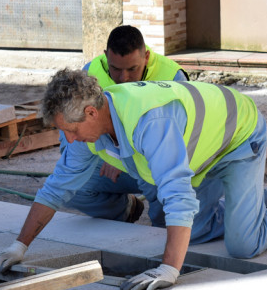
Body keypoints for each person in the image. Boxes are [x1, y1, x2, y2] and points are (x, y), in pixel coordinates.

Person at [0, 69, 267, 290]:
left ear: (91, 113)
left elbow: (178, 195)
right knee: (198, 231)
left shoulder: (150, 121)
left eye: (71, 130)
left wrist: (169, 269)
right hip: (198, 149)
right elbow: (58, 188)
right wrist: (19, 246)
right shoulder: (91, 130)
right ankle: (265, 198)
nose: (70, 139)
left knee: (243, 245)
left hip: (235, 140)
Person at [68, 25, 188, 225]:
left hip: (159, 166)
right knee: (73, 187)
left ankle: (164, 226)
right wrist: (113, 155)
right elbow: (75, 140)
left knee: (165, 225)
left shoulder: (173, 76)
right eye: (115, 68)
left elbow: (181, 142)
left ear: (146, 56)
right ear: (106, 56)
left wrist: (123, 156)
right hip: (116, 165)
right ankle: (126, 210)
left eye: (132, 69)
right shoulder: (89, 73)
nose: (124, 78)